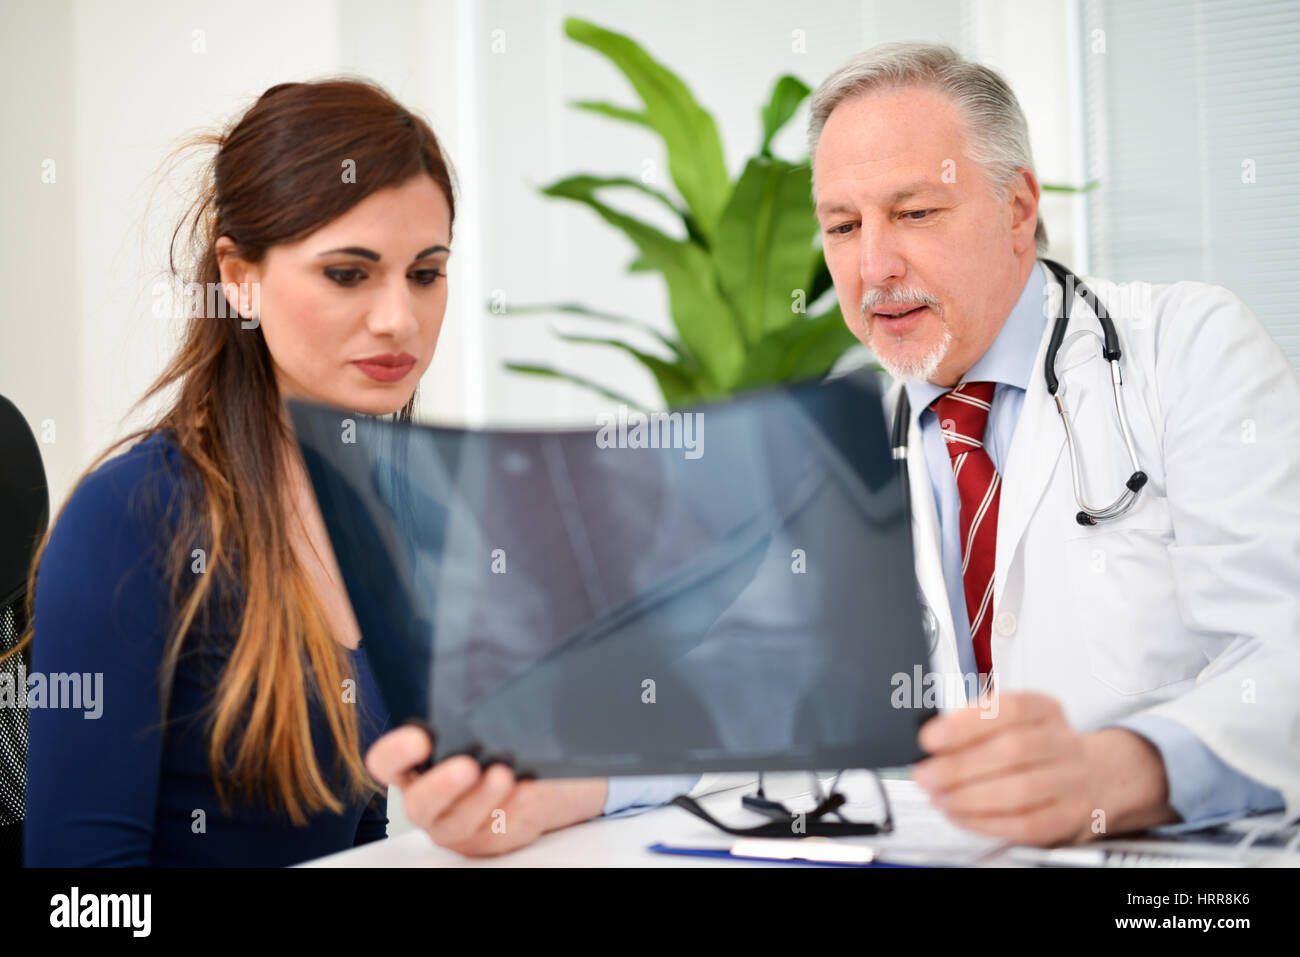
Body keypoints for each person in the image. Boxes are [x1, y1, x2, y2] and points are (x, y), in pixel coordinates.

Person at [14, 77, 602, 866]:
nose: (399, 317)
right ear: (239, 278)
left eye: (425, 273)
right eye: (348, 273)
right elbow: (80, 898)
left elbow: (355, 832)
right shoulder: (129, 517)